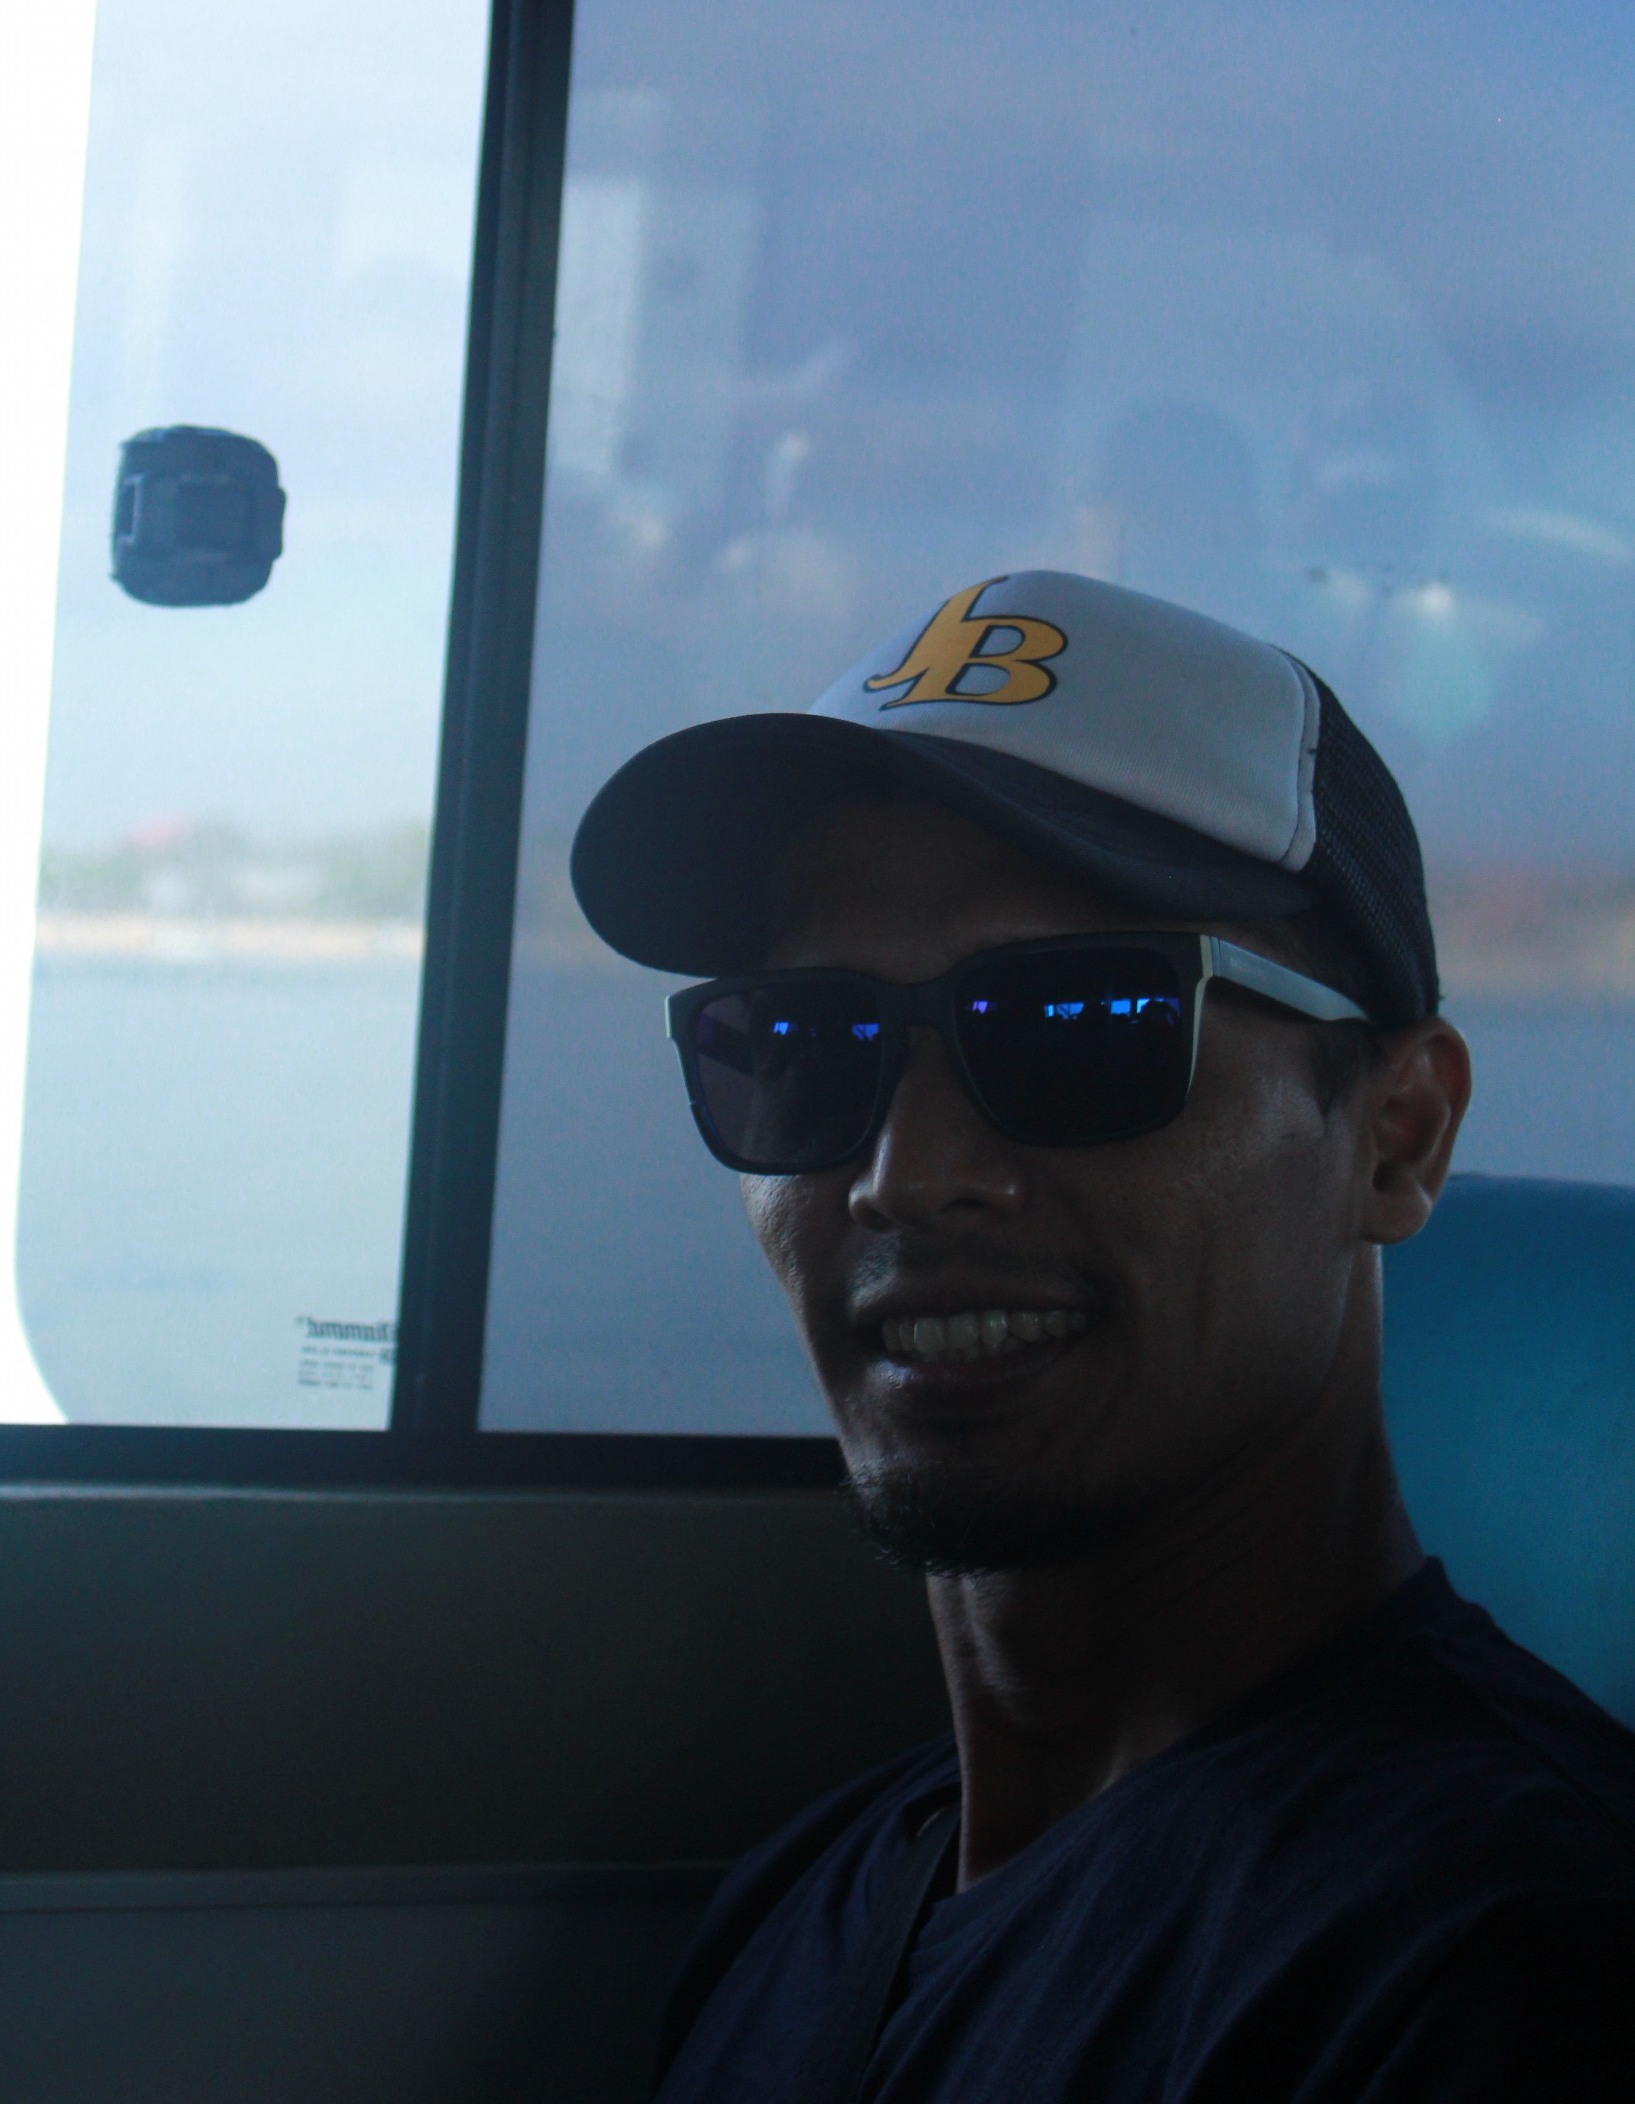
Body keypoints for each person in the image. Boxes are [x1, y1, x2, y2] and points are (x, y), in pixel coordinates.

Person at [568, 571, 1635, 2102]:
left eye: (1082, 1026)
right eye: (800, 1045)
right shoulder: (808, 1906)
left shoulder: (1507, 1971)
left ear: (1396, 1135)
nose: (904, 1174)